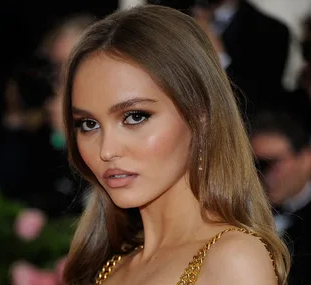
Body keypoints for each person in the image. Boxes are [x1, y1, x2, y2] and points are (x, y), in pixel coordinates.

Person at [62, 5, 289, 285]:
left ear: (200, 118)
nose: (106, 151)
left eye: (135, 117)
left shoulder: (233, 260)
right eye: (89, 124)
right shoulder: (108, 266)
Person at [251, 111, 311, 285]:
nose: (264, 174)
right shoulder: (241, 212)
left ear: (306, 160)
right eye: (257, 164)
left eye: (273, 162)